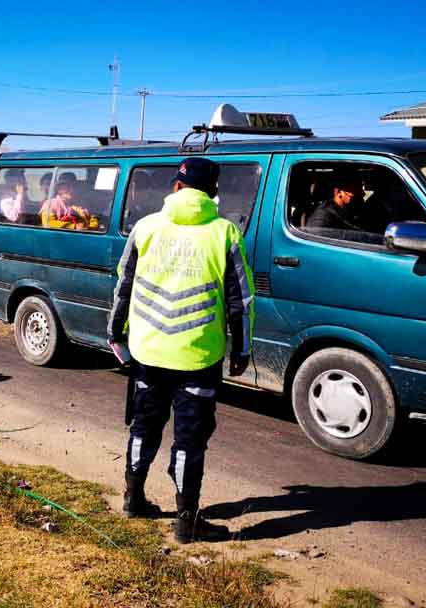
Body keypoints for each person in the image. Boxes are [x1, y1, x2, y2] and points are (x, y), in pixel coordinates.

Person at [107, 157, 254, 544]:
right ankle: (186, 522)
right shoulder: (226, 233)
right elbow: (241, 300)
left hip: (148, 353)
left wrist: (115, 333)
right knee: (190, 439)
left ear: (176, 187)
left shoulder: (145, 227)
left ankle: (133, 499)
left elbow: (124, 285)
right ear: (213, 194)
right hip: (198, 358)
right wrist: (242, 350)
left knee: (143, 427)